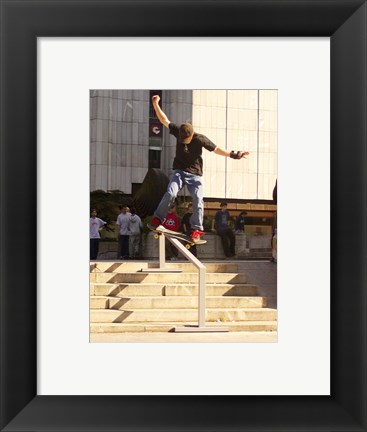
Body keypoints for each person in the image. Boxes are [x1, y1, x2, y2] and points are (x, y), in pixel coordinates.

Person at [147, 94, 249, 244]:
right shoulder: (178, 129)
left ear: (192, 135)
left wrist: (235, 155)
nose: (184, 143)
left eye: (186, 141)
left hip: (195, 175)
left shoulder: (200, 139)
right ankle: (157, 219)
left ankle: (196, 230)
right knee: (170, 192)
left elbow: (217, 149)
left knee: (198, 200)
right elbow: (164, 120)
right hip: (179, 171)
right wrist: (155, 104)